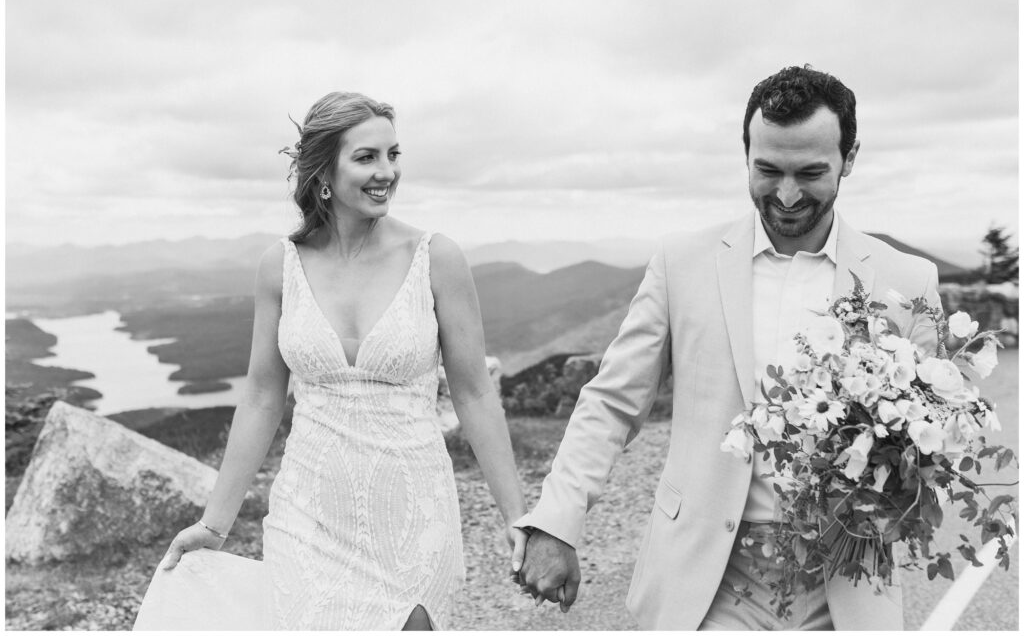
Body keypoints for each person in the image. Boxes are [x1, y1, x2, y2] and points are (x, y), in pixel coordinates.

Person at [511, 65, 943, 630]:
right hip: (705, 585)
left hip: (843, 589)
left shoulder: (907, 282)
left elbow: (926, 447)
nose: (786, 195)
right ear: (745, 155)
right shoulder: (681, 262)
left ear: (850, 159)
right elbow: (612, 403)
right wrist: (556, 520)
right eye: (768, 171)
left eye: (810, 173)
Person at [160, 91, 528, 630]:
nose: (387, 172)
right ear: (324, 172)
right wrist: (214, 525)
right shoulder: (279, 265)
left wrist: (518, 515)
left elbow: (473, 393)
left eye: (393, 155)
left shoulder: (436, 258)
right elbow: (263, 397)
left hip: (412, 513)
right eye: (367, 157)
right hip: (306, 514)